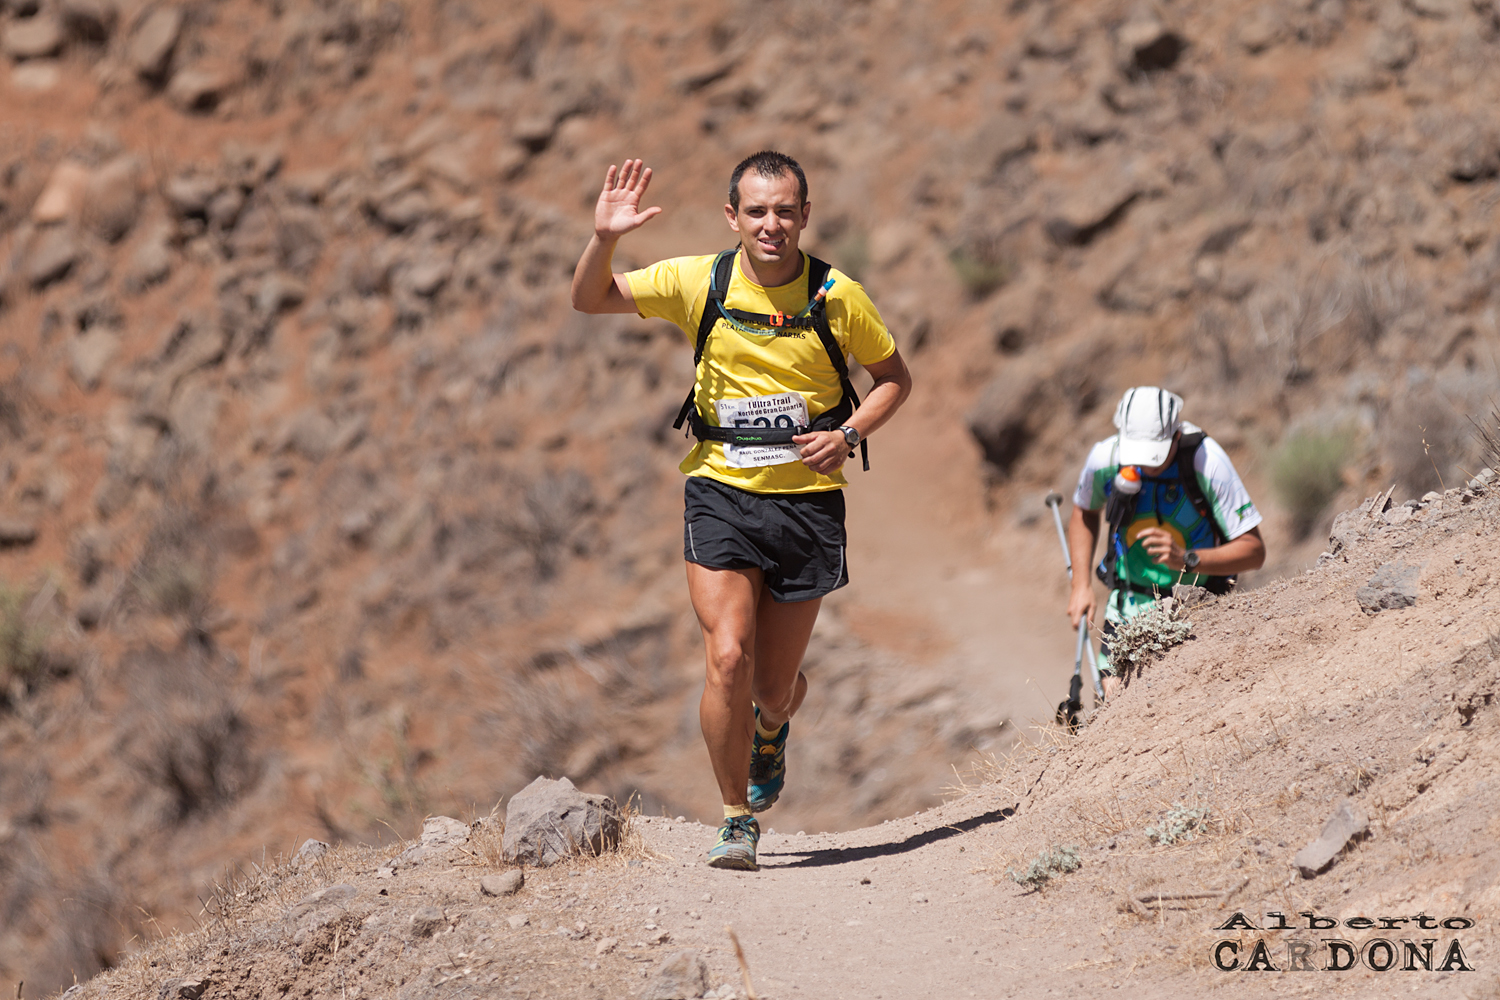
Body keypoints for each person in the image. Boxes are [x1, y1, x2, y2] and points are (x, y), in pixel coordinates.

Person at [570, 153, 912, 870]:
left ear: (805, 216)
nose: (771, 225)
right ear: (733, 217)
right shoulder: (701, 279)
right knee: (727, 656)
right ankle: (735, 819)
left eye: (785, 210)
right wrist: (605, 237)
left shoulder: (836, 294)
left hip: (808, 503)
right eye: (756, 211)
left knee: (772, 686)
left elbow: (892, 379)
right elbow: (591, 298)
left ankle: (773, 725)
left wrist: (848, 433)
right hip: (720, 490)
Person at [1066, 387, 1265, 698]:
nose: (1147, 467)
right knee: (1112, 699)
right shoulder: (1105, 458)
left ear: (1176, 436)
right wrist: (1081, 584)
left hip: (1199, 605)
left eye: (1156, 456)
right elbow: (1084, 511)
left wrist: (1186, 559)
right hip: (1128, 604)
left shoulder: (1207, 461)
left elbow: (1254, 552)